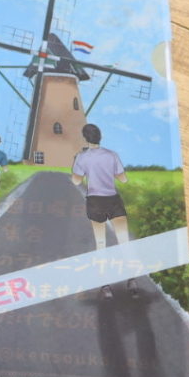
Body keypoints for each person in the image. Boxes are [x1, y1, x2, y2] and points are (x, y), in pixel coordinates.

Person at [71, 122, 139, 298]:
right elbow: (123, 179)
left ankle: (106, 286)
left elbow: (76, 181)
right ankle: (132, 280)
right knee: (124, 240)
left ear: (85, 138)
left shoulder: (82, 157)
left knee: (101, 243)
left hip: (95, 201)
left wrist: (77, 164)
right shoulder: (112, 155)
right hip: (113, 200)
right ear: (100, 137)